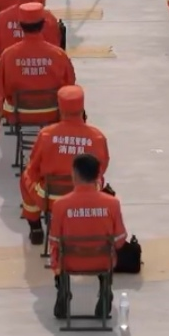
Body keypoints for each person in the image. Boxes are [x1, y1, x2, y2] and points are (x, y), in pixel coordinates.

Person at [0, 2, 77, 159]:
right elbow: (70, 86)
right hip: (54, 112)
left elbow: (3, 90)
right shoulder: (58, 55)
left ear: (21, 25)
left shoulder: (8, 55)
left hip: (17, 112)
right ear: (43, 24)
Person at [23, 86, 110, 244]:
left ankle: (35, 226)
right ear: (82, 107)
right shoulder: (97, 137)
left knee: (26, 177)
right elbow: (102, 168)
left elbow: (33, 168)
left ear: (60, 107)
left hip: (50, 198)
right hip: (88, 196)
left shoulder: (46, 135)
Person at [47, 153, 127, 320]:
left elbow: (54, 240)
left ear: (74, 174)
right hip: (102, 261)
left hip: (69, 262)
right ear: (98, 175)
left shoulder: (60, 205)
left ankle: (62, 288)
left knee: (56, 250)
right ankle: (105, 288)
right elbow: (120, 240)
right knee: (107, 251)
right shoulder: (112, 203)